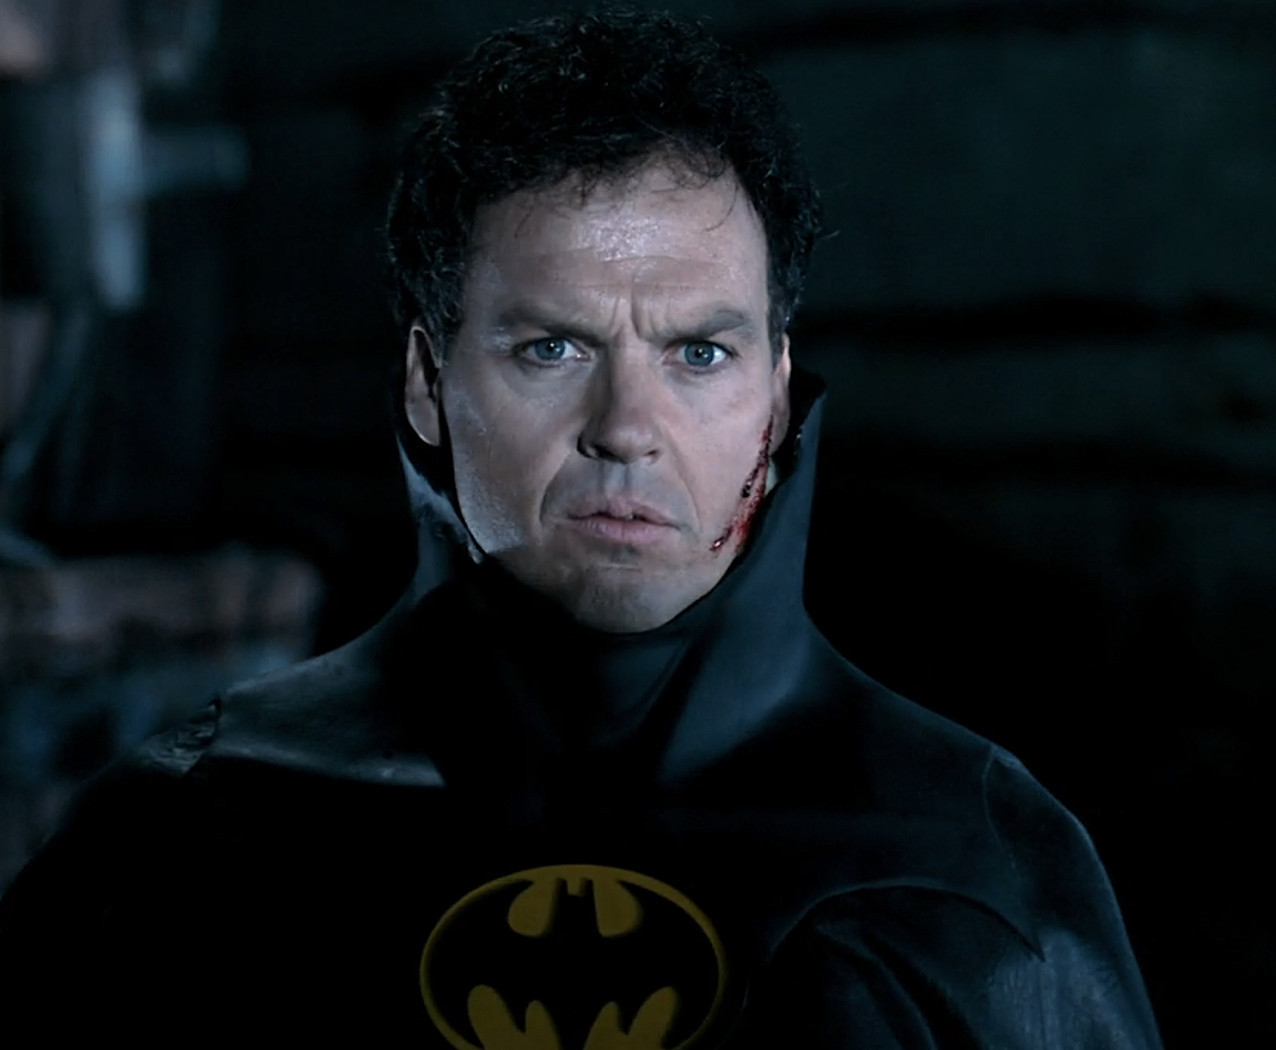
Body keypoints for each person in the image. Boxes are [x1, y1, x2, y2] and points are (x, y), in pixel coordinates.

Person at [0, 10, 1162, 1048]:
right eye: (550, 348)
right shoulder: (187, 832)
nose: (627, 429)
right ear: (427, 384)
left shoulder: (968, 861)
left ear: (773, 395)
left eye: (697, 353)